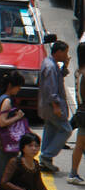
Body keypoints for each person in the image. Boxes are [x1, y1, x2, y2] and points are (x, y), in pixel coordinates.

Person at [37, 40, 71, 172]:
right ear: (59, 52)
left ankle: (45, 159)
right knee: (66, 130)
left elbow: (58, 79)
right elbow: (51, 90)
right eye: (65, 53)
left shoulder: (51, 63)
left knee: (50, 130)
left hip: (48, 106)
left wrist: (64, 67)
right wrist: (56, 106)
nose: (66, 55)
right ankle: (46, 155)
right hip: (52, 107)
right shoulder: (50, 67)